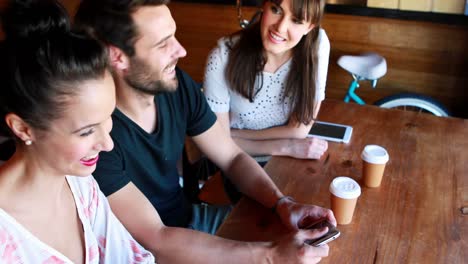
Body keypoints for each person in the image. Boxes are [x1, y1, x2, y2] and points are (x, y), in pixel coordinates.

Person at [75, 0, 336, 263]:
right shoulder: (97, 138)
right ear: (116, 56)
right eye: (164, 43)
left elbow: (231, 158)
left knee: (308, 240)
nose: (181, 50)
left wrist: (283, 204)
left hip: (191, 220)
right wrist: (271, 256)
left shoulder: (176, 84)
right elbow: (156, 239)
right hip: (151, 253)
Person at [0, 1, 154, 263]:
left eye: (107, 120)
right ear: (23, 128)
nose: (108, 145)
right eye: (86, 132)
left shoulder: (80, 185)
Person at [204, 0, 330, 161]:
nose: (280, 27)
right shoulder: (223, 57)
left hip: (288, 157)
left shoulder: (317, 44)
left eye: (296, 20)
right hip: (234, 161)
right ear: (264, 6)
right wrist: (285, 146)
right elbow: (217, 143)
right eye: (276, 10)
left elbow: (299, 130)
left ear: (310, 27)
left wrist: (234, 136)